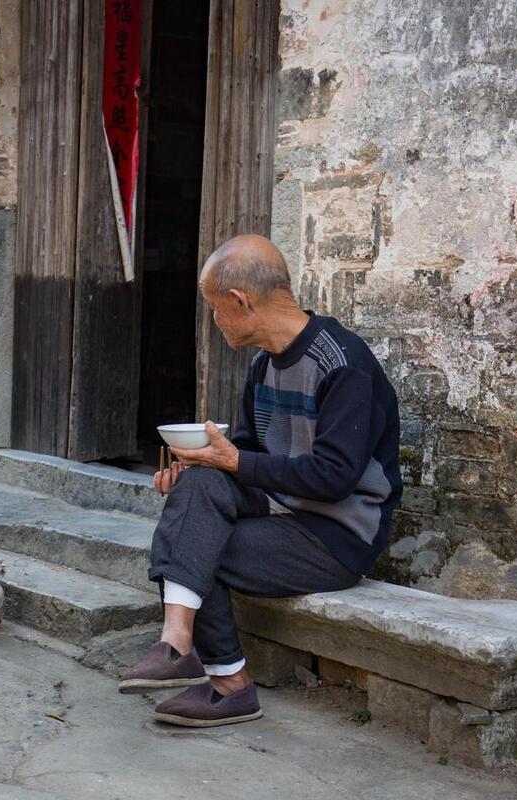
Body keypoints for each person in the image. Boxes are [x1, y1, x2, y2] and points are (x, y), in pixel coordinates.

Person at [118, 234, 402, 728]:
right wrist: (200, 470)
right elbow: (249, 455)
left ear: (241, 301)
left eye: (215, 308)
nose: (214, 319)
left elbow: (334, 478)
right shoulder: (263, 365)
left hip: (337, 536)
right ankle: (177, 645)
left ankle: (227, 684)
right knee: (197, 491)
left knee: (197, 545)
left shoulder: (342, 365)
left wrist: (233, 463)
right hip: (279, 515)